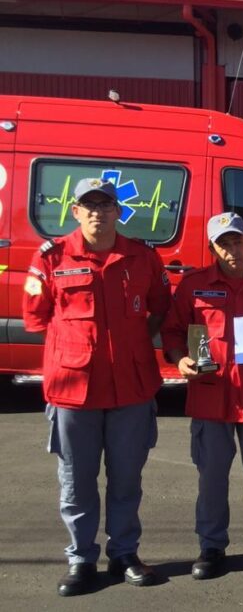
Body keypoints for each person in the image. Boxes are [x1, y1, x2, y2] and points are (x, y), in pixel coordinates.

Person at [22, 178, 171, 596]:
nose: (97, 213)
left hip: (131, 388)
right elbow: (36, 319)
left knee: (127, 479)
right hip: (74, 390)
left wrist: (133, 345)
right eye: (88, 205)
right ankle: (82, 559)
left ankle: (124, 554)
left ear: (117, 211)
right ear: (74, 211)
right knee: (77, 481)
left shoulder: (141, 257)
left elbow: (160, 310)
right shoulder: (51, 258)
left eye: (105, 205)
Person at [162, 213, 243, 579]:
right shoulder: (193, 285)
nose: (232, 250)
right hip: (210, 395)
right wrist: (181, 358)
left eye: (237, 241)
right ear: (212, 248)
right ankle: (211, 547)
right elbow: (173, 333)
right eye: (223, 243)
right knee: (212, 477)